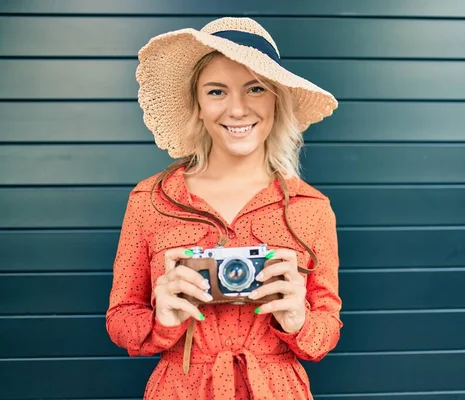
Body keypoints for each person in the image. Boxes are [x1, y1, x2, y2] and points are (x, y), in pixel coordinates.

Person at [105, 17, 342, 400]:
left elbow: (326, 328)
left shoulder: (309, 208)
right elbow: (120, 319)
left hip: (277, 388)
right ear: (196, 105)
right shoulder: (151, 200)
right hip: (181, 388)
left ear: (276, 99)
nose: (237, 109)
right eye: (217, 91)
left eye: (255, 88)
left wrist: (299, 320)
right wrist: (161, 320)